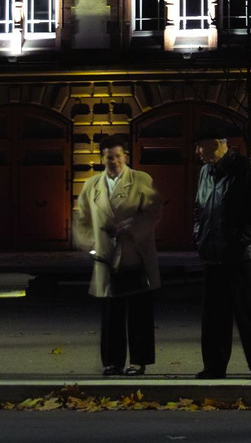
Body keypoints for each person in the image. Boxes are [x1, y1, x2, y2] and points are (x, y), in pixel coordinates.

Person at [72, 136, 162, 376]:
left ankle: (138, 360)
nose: (114, 161)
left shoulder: (141, 180)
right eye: (109, 157)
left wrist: (130, 227)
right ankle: (112, 361)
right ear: (102, 158)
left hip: (135, 254)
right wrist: (92, 242)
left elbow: (153, 212)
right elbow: (82, 219)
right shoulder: (92, 184)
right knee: (111, 313)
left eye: (118, 156)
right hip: (106, 257)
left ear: (126, 157)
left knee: (138, 311)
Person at [191, 132, 251, 379]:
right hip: (212, 252)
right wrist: (199, 235)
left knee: (247, 312)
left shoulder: (246, 168)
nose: (198, 152)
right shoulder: (206, 172)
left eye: (200, 145)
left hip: (240, 256)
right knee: (214, 315)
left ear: (217, 143)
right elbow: (199, 208)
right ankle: (214, 366)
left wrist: (240, 241)